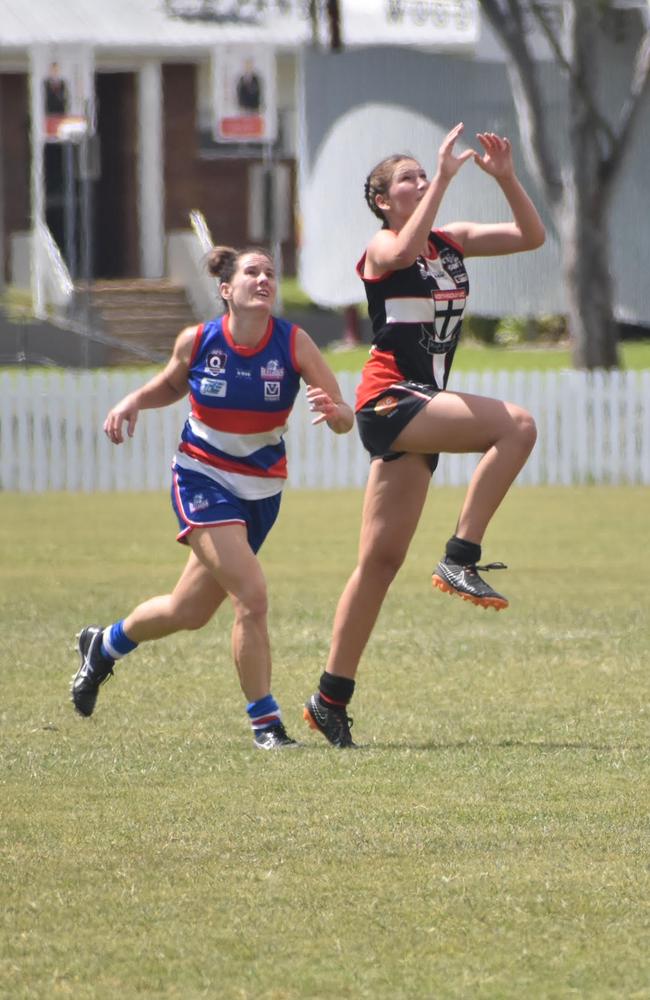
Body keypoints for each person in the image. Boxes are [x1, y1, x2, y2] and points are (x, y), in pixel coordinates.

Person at [303, 122, 545, 748]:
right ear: (384, 200)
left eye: (422, 175)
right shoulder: (383, 248)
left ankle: (329, 699)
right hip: (390, 399)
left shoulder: (451, 242)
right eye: (406, 178)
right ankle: (460, 558)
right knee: (517, 425)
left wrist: (507, 179)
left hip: (420, 405)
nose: (419, 181)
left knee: (379, 563)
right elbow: (404, 256)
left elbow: (531, 235)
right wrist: (442, 174)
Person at [71, 245, 353, 749]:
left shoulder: (294, 343)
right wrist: (134, 400)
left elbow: (344, 418)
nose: (264, 278)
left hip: (261, 493)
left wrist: (334, 412)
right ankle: (266, 725)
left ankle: (104, 645)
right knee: (252, 596)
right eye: (252, 271)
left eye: (270, 272)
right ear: (227, 289)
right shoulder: (199, 339)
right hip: (201, 479)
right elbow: (169, 385)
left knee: (188, 611)